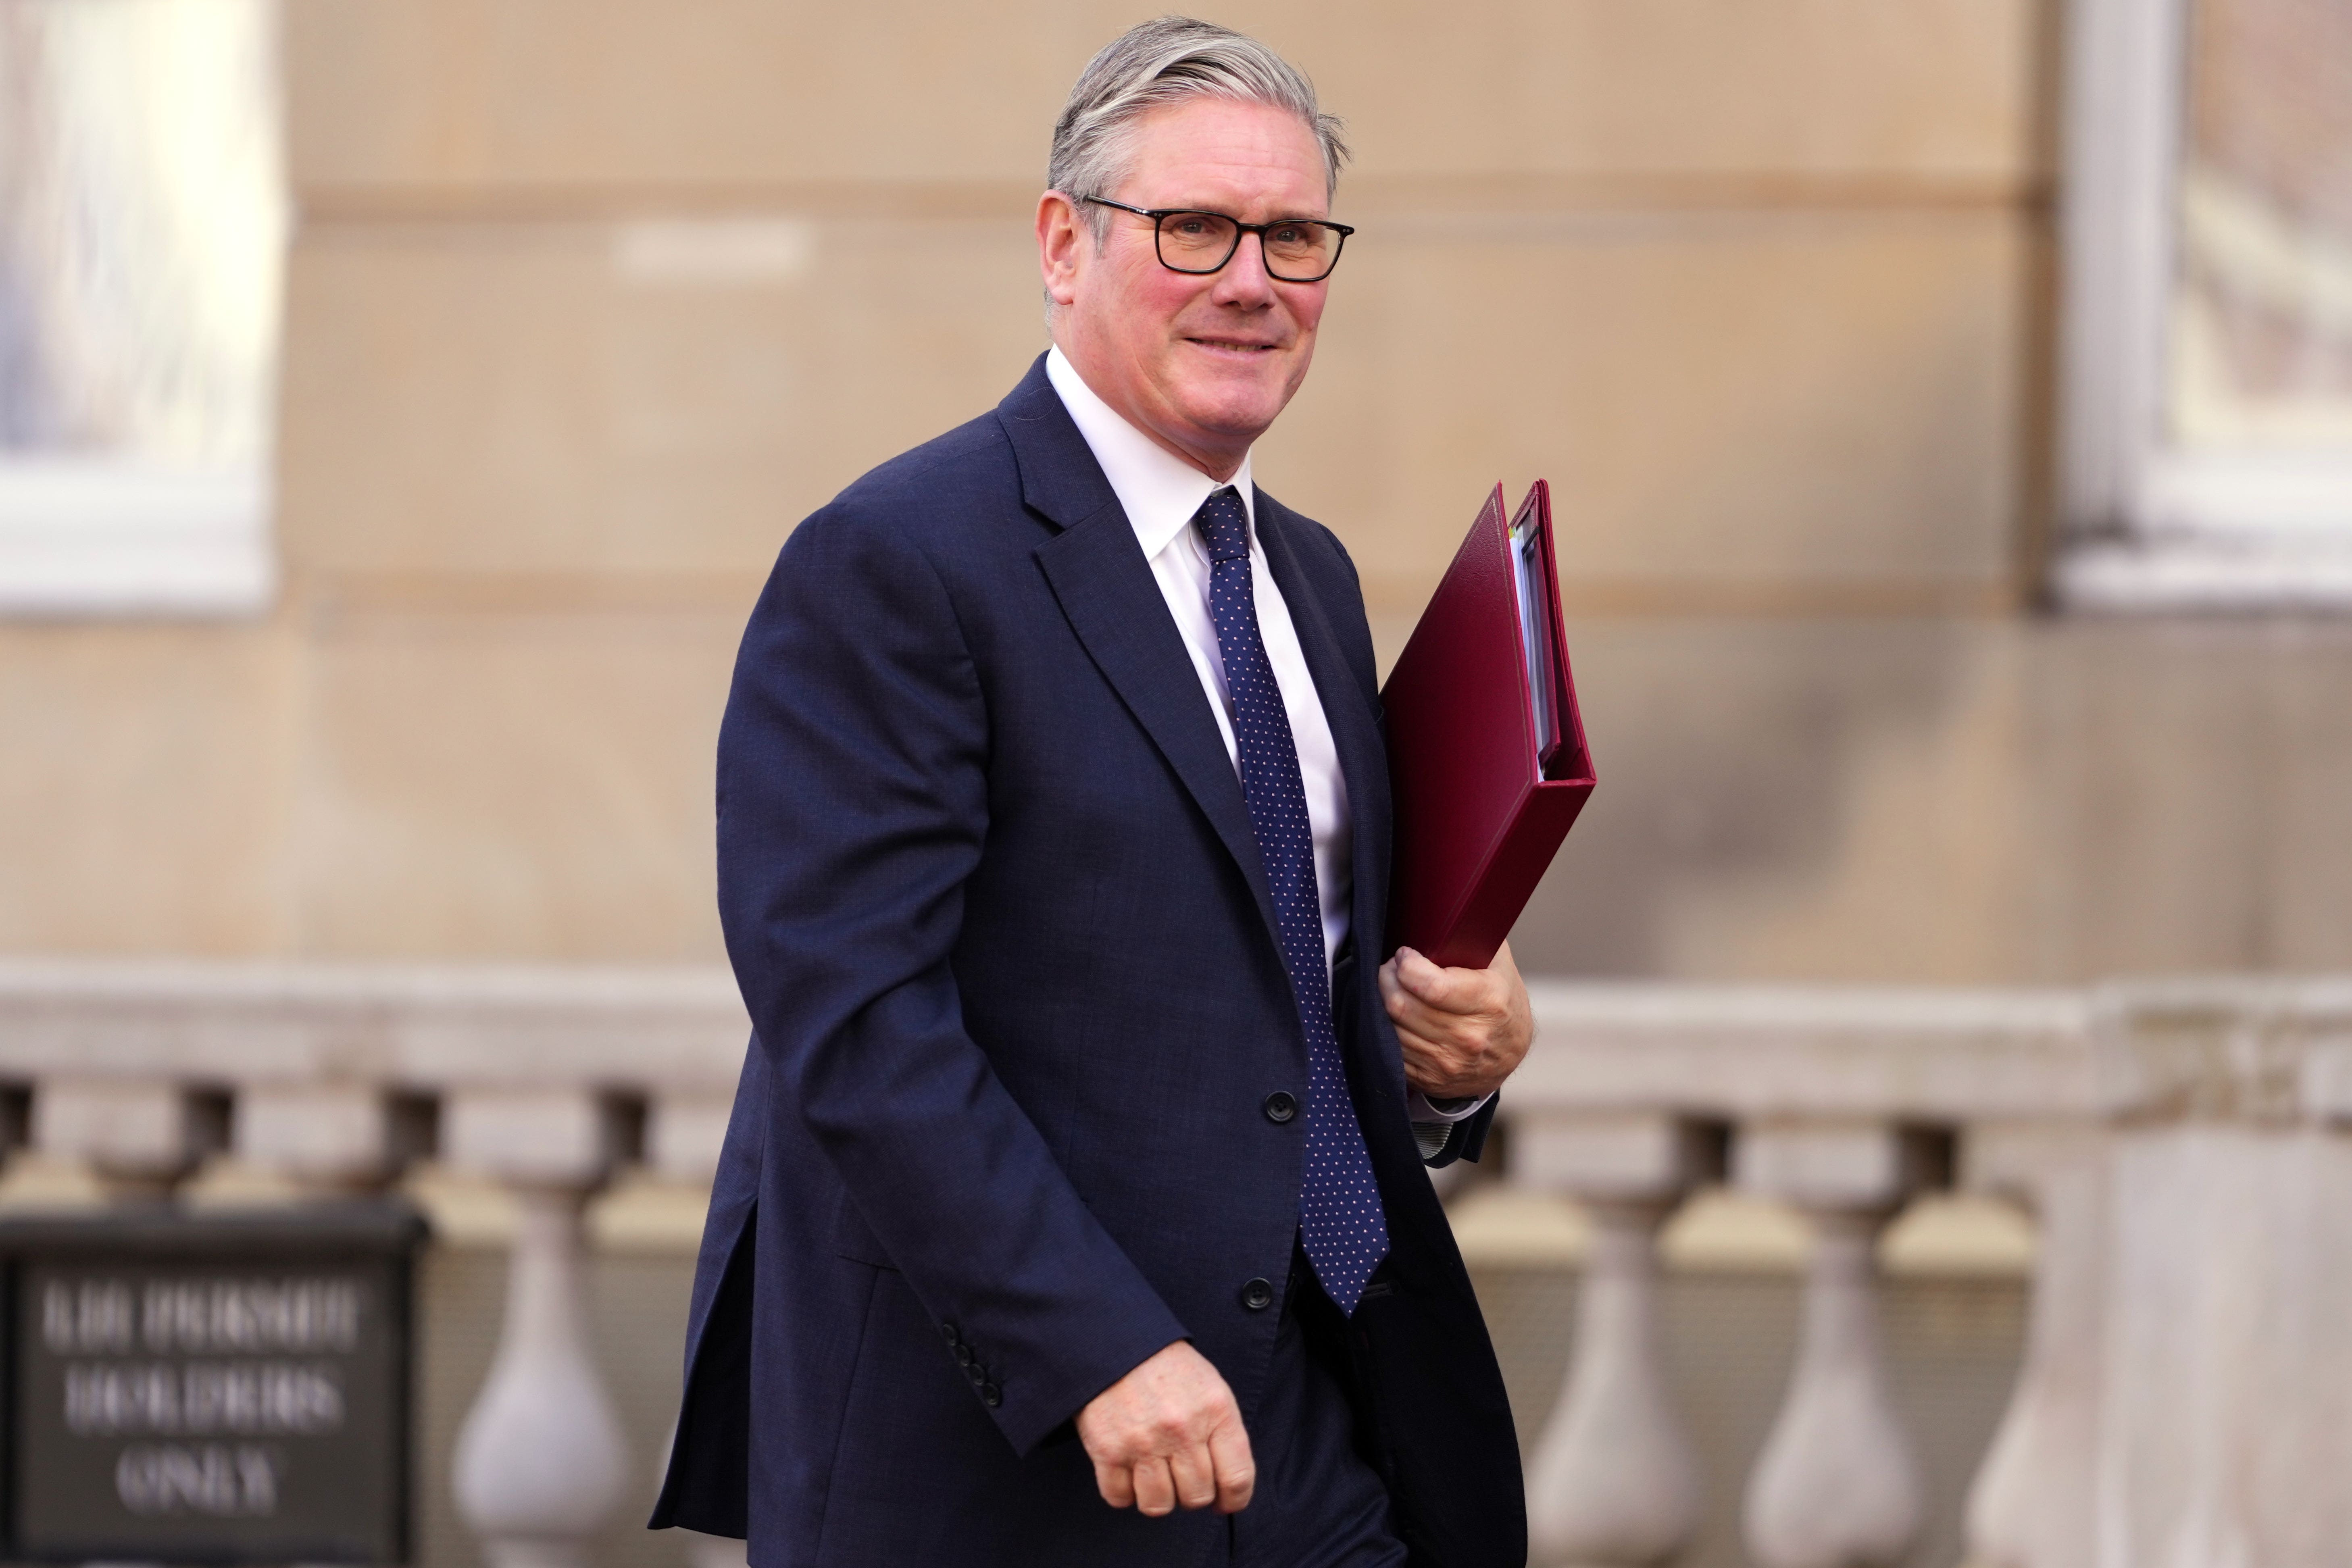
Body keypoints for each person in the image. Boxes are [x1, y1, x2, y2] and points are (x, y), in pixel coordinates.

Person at [653, 18, 1534, 1566]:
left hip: (1314, 1428)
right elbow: (859, 1021)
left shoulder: (1309, 579)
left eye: (1293, 235)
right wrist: (1093, 1346)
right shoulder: (899, 562)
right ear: (1064, 245)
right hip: (1009, 1454)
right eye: (1193, 226)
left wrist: (1452, 1057)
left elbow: (1270, 1013)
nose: (1252, 278)